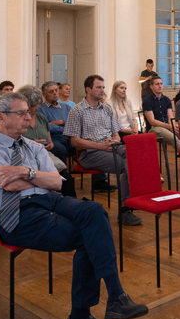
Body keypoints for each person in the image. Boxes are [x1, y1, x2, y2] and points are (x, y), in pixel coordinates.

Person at [0, 92, 148, 319]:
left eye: (29, 112)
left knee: (95, 211)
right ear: (1, 117)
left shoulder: (32, 146)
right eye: (22, 113)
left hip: (49, 200)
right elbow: (9, 186)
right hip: (15, 214)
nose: (29, 118)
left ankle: (115, 297)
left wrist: (24, 172)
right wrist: (36, 177)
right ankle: (81, 318)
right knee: (88, 237)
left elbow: (56, 182)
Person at [64, 75, 142, 227]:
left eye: (103, 87)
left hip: (110, 147)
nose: (102, 90)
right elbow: (75, 142)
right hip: (91, 153)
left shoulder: (106, 108)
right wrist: (100, 146)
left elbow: (116, 133)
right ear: (88, 89)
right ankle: (125, 210)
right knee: (128, 165)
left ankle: (131, 204)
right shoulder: (77, 111)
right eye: (98, 87)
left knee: (135, 156)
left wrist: (115, 141)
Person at [17, 85, 75, 198]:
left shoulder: (41, 118)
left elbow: (50, 141)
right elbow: (14, 143)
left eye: (37, 105)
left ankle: (70, 204)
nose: (36, 108)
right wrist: (33, 144)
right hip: (26, 159)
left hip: (44, 156)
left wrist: (49, 145)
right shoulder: (18, 120)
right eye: (32, 106)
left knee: (66, 179)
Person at [141, 77, 179, 158]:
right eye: (157, 84)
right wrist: (169, 126)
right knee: (173, 138)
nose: (160, 86)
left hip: (167, 126)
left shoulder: (167, 100)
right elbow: (152, 121)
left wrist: (172, 126)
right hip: (154, 128)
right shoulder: (147, 100)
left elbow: (170, 117)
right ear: (151, 87)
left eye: (161, 83)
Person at [40, 81, 71, 163]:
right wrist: (64, 126)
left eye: (56, 90)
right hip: (52, 138)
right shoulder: (41, 109)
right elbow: (44, 127)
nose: (55, 93)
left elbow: (73, 123)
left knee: (81, 146)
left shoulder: (66, 107)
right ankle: (61, 170)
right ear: (44, 94)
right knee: (60, 149)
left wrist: (61, 121)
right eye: (51, 91)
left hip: (68, 136)